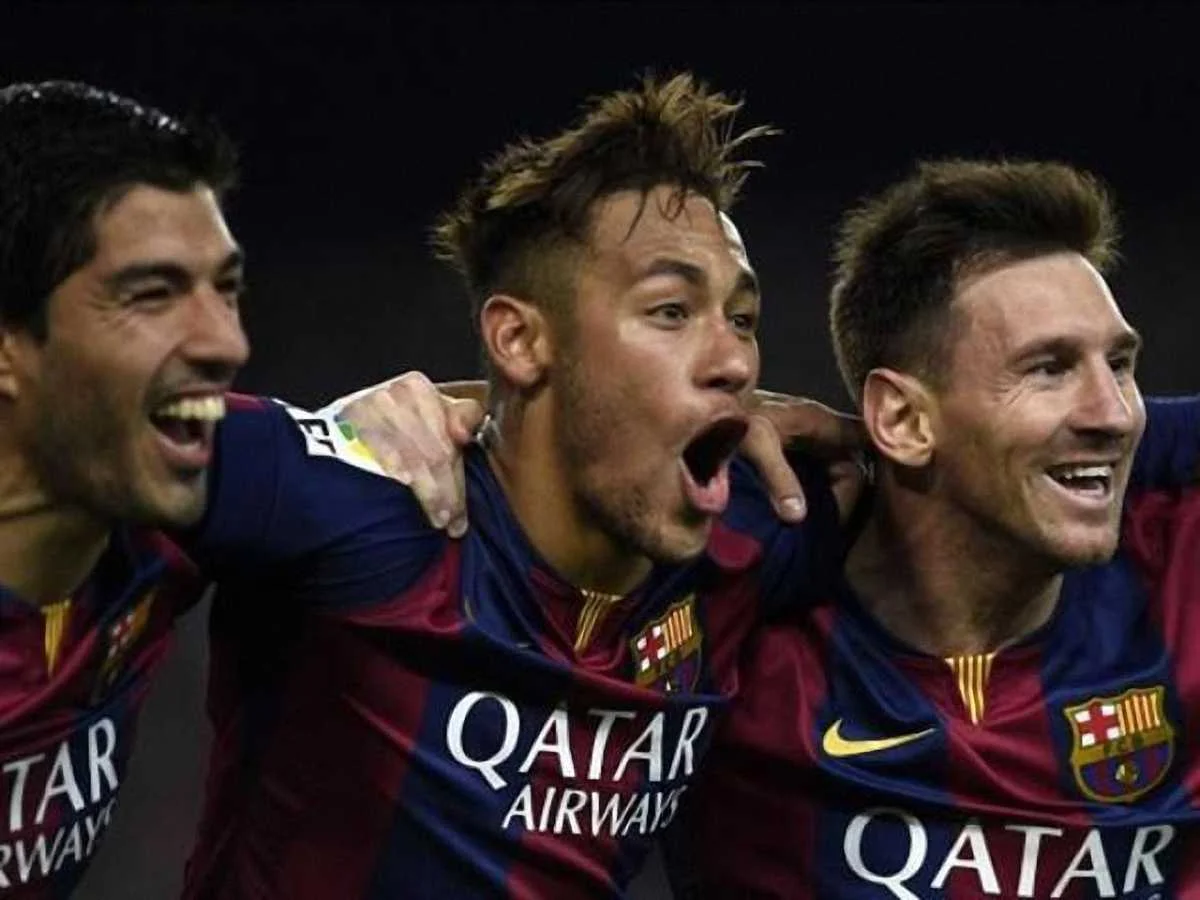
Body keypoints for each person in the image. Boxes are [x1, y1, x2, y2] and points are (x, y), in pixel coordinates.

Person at [177, 73, 841, 898]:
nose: (735, 360)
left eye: (740, 319)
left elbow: (954, 489)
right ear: (520, 341)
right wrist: (334, 422)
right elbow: (84, 429)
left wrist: (856, 440)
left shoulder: (752, 534)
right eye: (671, 311)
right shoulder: (359, 502)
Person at [666, 160, 1200, 898]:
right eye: (1049, 369)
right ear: (904, 419)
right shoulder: (735, 600)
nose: (1113, 413)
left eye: (1120, 363)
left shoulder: (1179, 549)